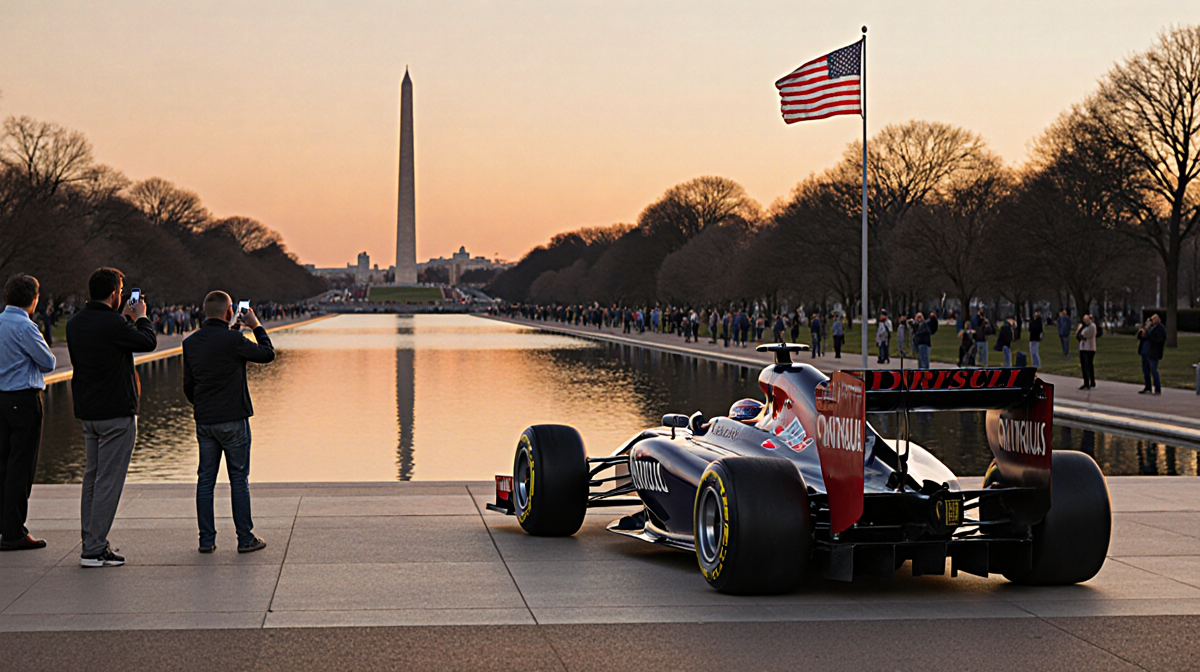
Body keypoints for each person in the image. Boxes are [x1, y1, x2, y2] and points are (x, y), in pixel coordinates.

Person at [67, 267, 157, 567]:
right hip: (116, 411)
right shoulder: (114, 323)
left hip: (89, 410)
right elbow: (147, 341)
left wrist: (126, 320)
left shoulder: (75, 322)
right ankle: (94, 548)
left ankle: (90, 540)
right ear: (115, 294)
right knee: (108, 481)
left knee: (92, 478)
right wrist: (141, 316)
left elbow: (109, 343)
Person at [183, 291, 276, 554]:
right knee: (238, 479)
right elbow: (267, 354)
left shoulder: (191, 342)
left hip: (206, 420)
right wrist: (255, 325)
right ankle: (245, 538)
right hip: (233, 418)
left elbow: (188, 387)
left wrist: (204, 406)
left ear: (204, 312)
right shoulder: (234, 339)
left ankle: (206, 540)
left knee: (205, 480)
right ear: (228, 313)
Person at [0, 274, 56, 551]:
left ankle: (4, 525)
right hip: (22, 400)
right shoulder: (25, 326)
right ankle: (14, 531)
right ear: (33, 300)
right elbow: (48, 362)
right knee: (21, 467)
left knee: (3, 464)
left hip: (0, 399)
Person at [1139, 314, 1166, 395]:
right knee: (1145, 370)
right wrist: (1142, 332)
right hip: (1145, 351)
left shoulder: (1160, 329)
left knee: (1153, 370)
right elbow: (1143, 337)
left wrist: (1150, 336)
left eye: (1153, 319)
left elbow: (1160, 340)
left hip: (1153, 352)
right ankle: (1148, 386)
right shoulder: (1149, 328)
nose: (1152, 321)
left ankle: (1157, 388)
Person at [1076, 314, 1097, 390]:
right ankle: (1090, 382)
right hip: (1083, 348)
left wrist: (1080, 334)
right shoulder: (1084, 327)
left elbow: (1083, 336)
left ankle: (1088, 382)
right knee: (1086, 366)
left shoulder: (1092, 326)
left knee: (1087, 366)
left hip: (1089, 349)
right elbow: (1078, 335)